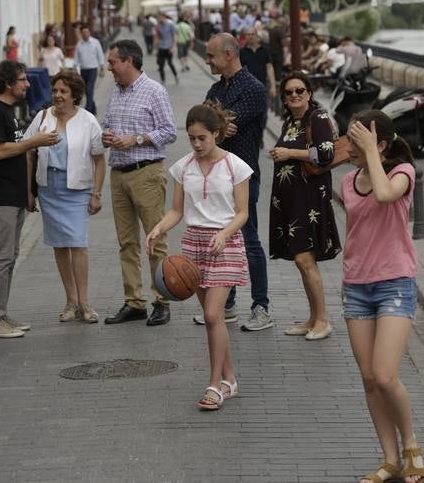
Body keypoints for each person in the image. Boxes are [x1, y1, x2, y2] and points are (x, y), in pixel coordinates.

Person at [146, 103, 250, 410]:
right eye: (191, 138)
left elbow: (243, 213)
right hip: (194, 245)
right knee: (213, 320)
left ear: (216, 134)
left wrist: (224, 233)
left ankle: (214, 385)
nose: (196, 144)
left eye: (202, 137)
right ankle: (230, 380)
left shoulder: (236, 166)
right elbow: (177, 210)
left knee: (212, 316)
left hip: (224, 243)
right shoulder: (183, 167)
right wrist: (158, 228)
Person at [340, 110, 424, 483]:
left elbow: (385, 195)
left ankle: (411, 448)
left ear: (381, 145)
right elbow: (358, 231)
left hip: (395, 284)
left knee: (386, 375)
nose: (350, 147)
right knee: (369, 379)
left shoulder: (401, 174)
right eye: (349, 139)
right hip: (356, 287)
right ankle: (390, 460)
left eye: (357, 140)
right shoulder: (346, 181)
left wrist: (373, 153)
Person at [0, 60, 60, 339]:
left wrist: (27, 192)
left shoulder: (8, 111)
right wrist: (34, 141)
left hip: (12, 196)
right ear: (7, 83)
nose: (28, 83)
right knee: (1, 259)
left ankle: (0, 312)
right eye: (22, 79)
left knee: (10, 257)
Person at [102, 39, 177, 326]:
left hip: (146, 172)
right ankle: (134, 301)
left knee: (155, 238)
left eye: (113, 62)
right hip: (118, 173)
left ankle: (162, 300)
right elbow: (108, 123)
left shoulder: (154, 91)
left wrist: (136, 139)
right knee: (127, 242)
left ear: (128, 61)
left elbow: (169, 131)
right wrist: (106, 135)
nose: (110, 68)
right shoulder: (116, 93)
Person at [202, 33, 272, 332]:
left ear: (229, 55)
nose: (207, 61)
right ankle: (227, 305)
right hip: (216, 177)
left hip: (243, 177)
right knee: (221, 240)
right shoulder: (216, 88)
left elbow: (222, 127)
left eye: (211, 56)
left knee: (249, 241)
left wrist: (215, 125)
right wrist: (215, 126)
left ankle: (261, 306)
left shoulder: (254, 88)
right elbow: (208, 127)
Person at [24, 70, 105, 323]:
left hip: (77, 189)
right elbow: (28, 151)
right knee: (60, 245)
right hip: (49, 187)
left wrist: (96, 194)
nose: (57, 96)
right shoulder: (42, 116)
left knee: (78, 243)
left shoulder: (88, 120)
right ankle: (70, 300)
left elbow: (99, 159)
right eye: (55, 90)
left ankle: (84, 302)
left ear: (75, 95)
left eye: (63, 92)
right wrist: (28, 190)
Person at [269, 70, 341, 339]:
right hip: (291, 200)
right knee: (302, 261)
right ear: (284, 99)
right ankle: (312, 318)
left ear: (309, 93)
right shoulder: (291, 121)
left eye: (300, 90)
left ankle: (323, 320)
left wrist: (289, 153)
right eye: (289, 92)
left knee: (304, 258)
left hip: (309, 200)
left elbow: (326, 152)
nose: (295, 95)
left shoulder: (317, 118)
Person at [239, 27, 277, 128]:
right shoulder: (241, 52)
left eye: (252, 34)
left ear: (256, 36)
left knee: (263, 115)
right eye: (248, 35)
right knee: (248, 115)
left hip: (262, 88)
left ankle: (259, 136)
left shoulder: (265, 50)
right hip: (246, 89)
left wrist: (273, 85)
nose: (250, 37)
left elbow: (269, 67)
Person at [73, 25, 105, 115]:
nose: (85, 34)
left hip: (93, 69)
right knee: (86, 90)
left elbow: (100, 55)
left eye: (87, 32)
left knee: (89, 89)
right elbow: (76, 58)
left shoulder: (95, 42)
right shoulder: (79, 44)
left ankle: (88, 111)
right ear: (81, 34)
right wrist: (75, 67)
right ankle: (93, 108)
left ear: (89, 33)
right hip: (83, 70)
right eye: (83, 33)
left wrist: (102, 68)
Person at [154, 11, 178, 84]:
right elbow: (157, 36)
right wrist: (155, 48)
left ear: (164, 17)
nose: (159, 18)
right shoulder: (158, 25)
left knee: (170, 63)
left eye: (160, 17)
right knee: (161, 64)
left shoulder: (170, 24)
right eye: (158, 17)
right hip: (161, 46)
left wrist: (174, 46)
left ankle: (175, 76)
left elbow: (174, 36)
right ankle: (163, 80)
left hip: (169, 47)